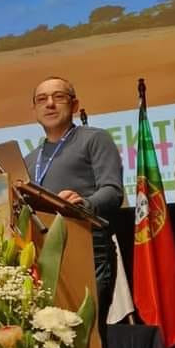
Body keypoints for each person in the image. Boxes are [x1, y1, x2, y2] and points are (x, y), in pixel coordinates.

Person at [25, 76, 123, 328]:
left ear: (75, 104)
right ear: (34, 109)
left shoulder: (95, 139)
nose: (49, 104)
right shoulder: (30, 159)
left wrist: (83, 205)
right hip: (44, 258)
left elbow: (113, 191)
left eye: (58, 97)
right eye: (42, 99)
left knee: (86, 337)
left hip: (87, 250)